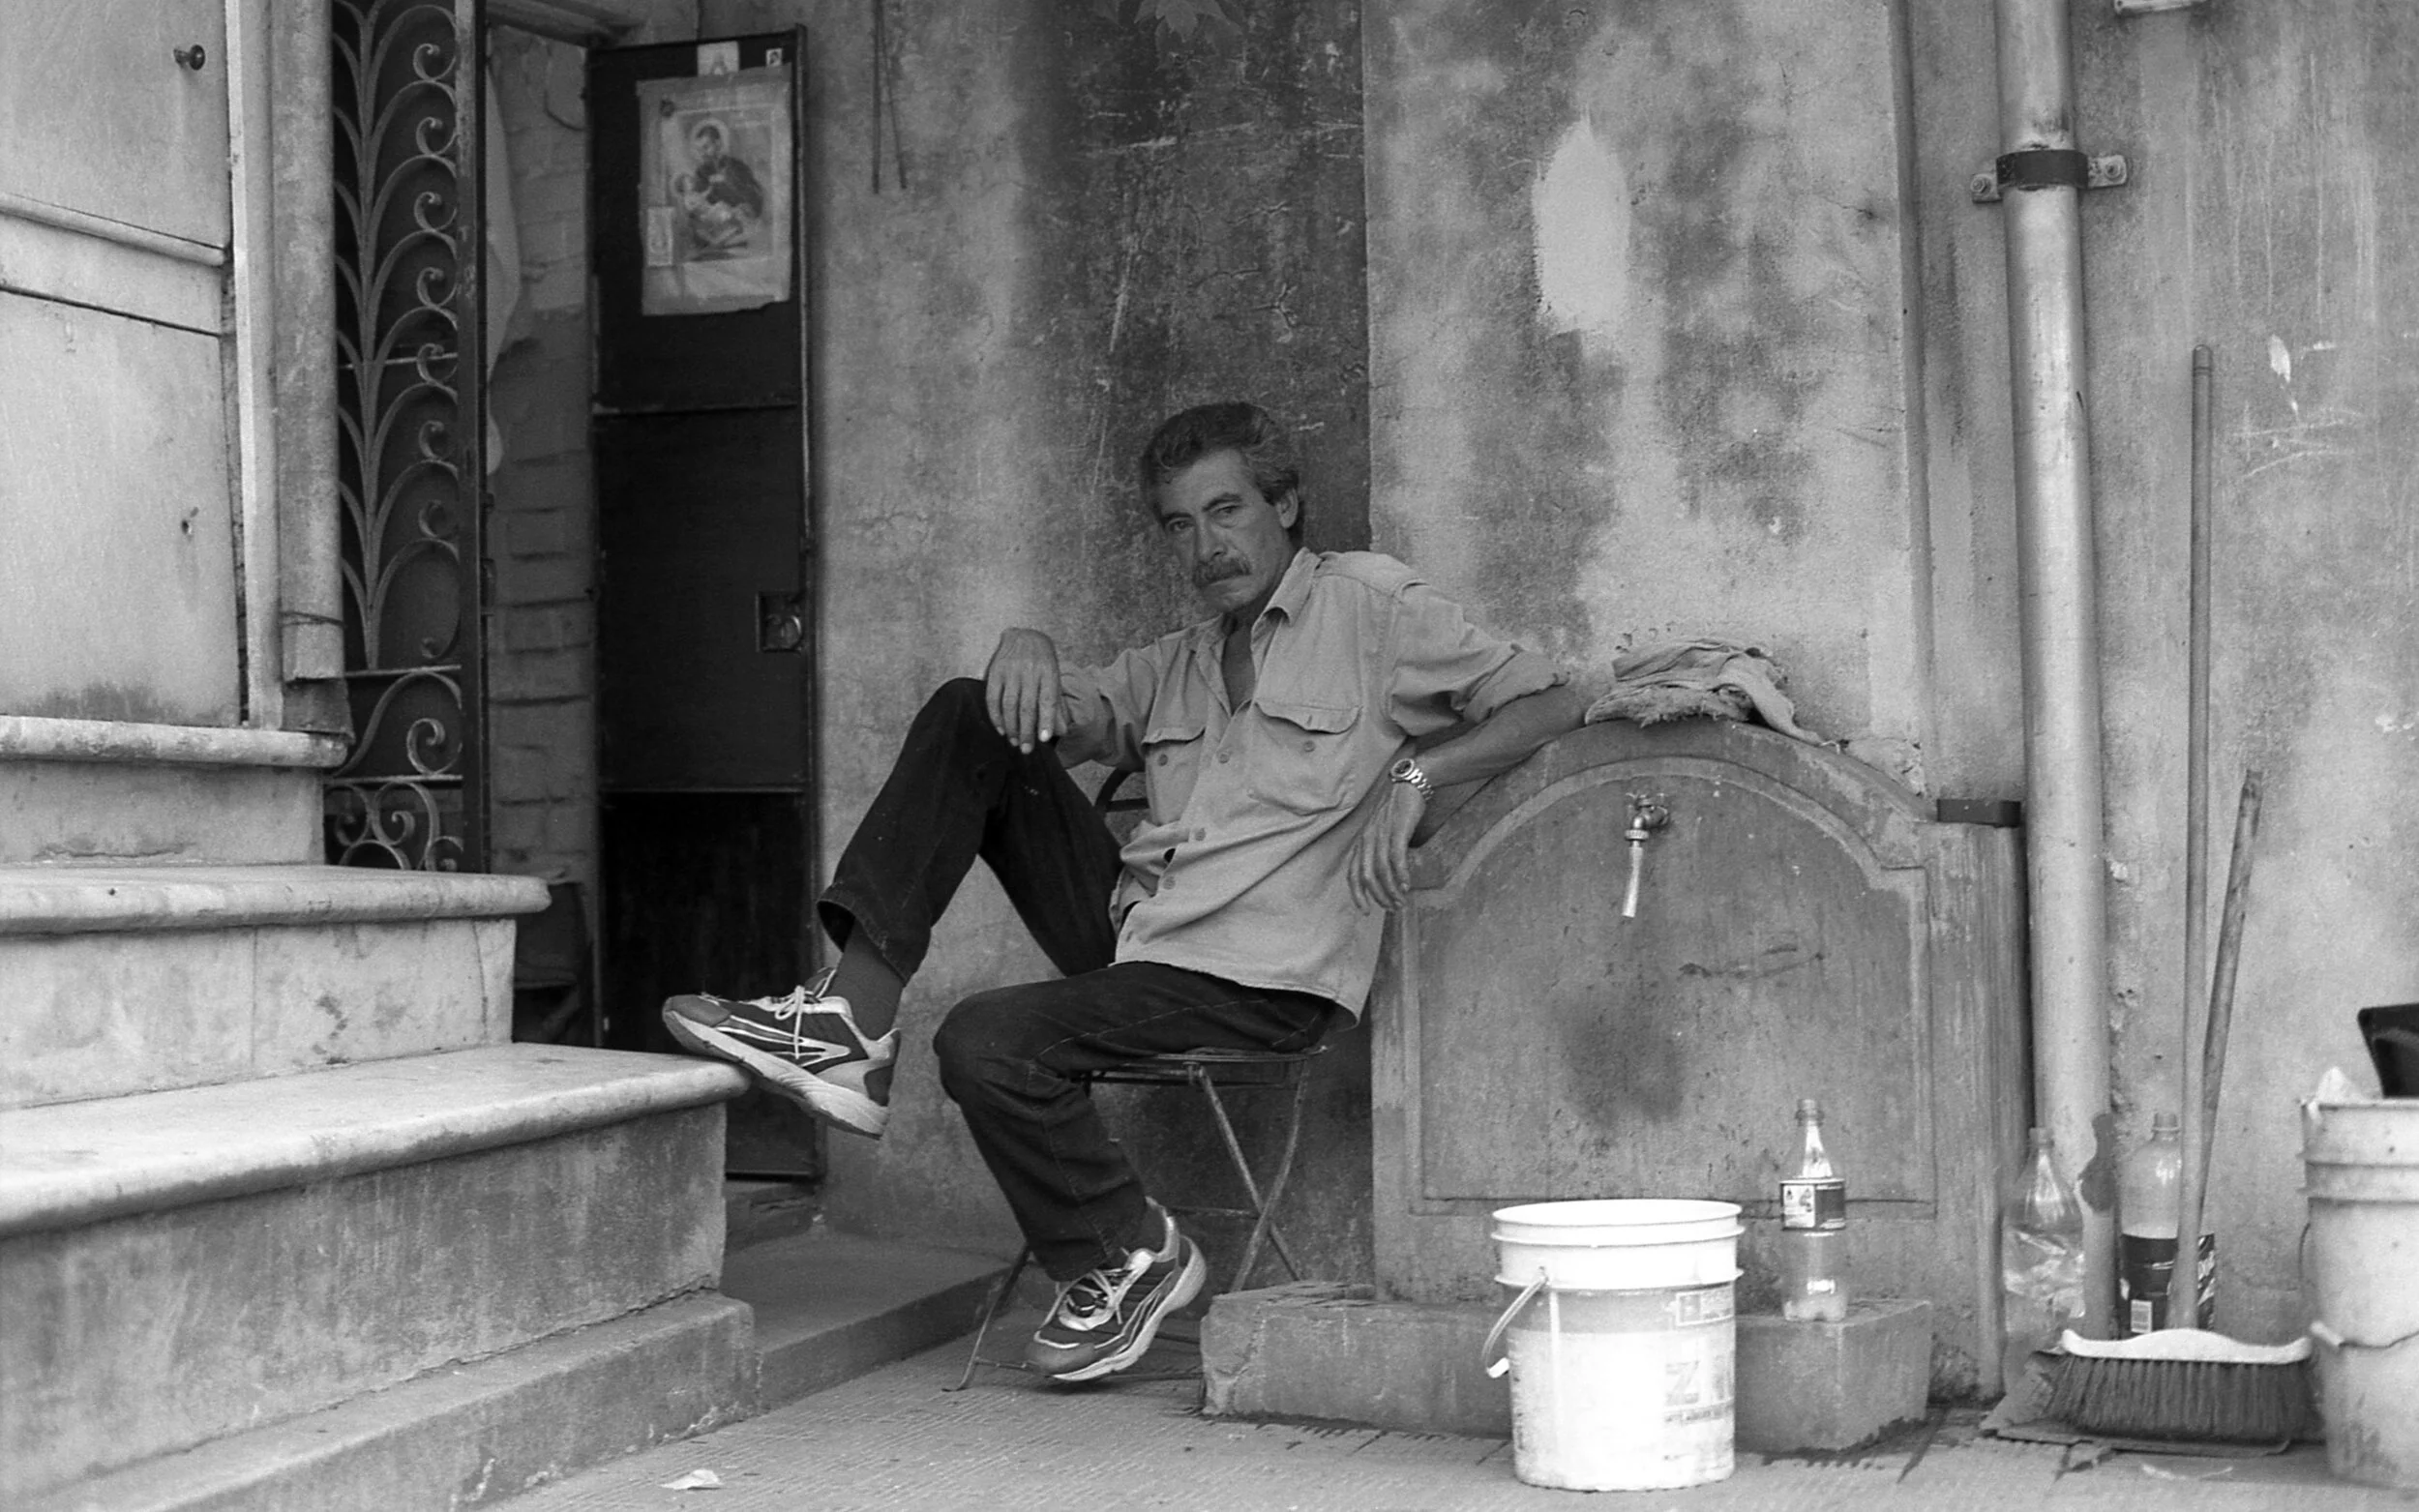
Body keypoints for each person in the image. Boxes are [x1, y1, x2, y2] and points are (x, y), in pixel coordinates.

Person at [662, 400, 1587, 1382]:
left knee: (984, 1038)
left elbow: (1553, 697)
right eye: (1180, 524)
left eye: (1226, 510)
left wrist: (1415, 779)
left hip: (1260, 977)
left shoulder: (1369, 611)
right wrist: (1022, 645)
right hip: (1140, 943)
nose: (1205, 545)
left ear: (1284, 503)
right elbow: (1046, 723)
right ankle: (852, 1018)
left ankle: (1128, 1251)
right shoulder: (1178, 659)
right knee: (969, 712)